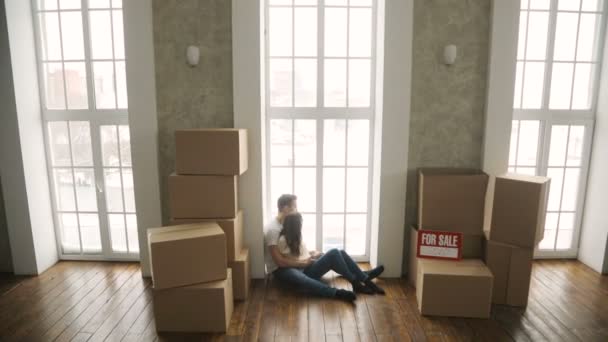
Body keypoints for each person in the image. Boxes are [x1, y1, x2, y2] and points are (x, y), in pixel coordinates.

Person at [264, 194, 385, 302]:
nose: (297, 210)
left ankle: (362, 277)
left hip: (298, 263)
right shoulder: (273, 229)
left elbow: (294, 251)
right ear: (285, 208)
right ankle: (339, 291)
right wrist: (303, 263)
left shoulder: (288, 223)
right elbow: (279, 261)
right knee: (326, 259)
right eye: (294, 207)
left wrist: (310, 254)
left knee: (338, 253)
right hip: (282, 269)